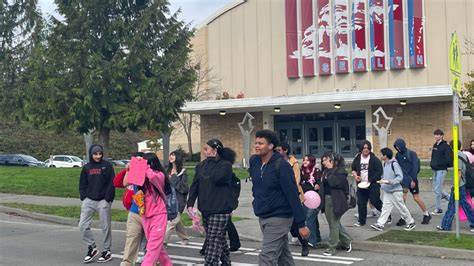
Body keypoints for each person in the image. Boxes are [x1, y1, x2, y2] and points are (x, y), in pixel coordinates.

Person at [249, 129, 310, 265]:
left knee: (267, 257)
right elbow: (256, 187)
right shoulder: (254, 162)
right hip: (263, 214)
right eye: (256, 143)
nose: (257, 146)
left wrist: (301, 224)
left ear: (271, 146)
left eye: (261, 143)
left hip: (280, 217)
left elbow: (293, 194)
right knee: (283, 255)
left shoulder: (282, 166)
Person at [187, 139, 238, 265]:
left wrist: (213, 161)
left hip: (221, 209)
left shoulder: (225, 165)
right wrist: (190, 204)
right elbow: (195, 185)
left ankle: (210, 263)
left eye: (207, 149)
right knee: (219, 239)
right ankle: (226, 262)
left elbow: (218, 178)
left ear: (215, 150)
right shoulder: (201, 166)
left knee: (212, 240)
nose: (205, 152)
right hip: (206, 208)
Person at [125, 153, 172, 266]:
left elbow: (152, 177)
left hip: (159, 215)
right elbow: (126, 182)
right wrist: (130, 168)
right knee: (157, 247)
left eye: (147, 164)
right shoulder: (141, 177)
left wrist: (142, 165)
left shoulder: (159, 175)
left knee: (152, 247)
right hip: (145, 215)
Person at [79, 144, 115, 263]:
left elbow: (112, 183)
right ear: (91, 154)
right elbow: (82, 183)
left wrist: (107, 199)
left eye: (99, 153)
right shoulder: (87, 167)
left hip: (103, 200)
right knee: (82, 225)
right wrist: (83, 197)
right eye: (95, 154)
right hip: (89, 200)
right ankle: (92, 247)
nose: (98, 156)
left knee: (105, 226)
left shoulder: (107, 166)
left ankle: (106, 251)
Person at [370, 148, 416, 231]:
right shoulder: (385, 164)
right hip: (388, 190)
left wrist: (390, 182)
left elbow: (400, 177)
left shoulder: (394, 164)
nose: (380, 156)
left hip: (396, 190)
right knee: (385, 208)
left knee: (401, 207)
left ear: (385, 156)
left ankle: (410, 222)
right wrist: (383, 181)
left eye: (381, 154)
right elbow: (385, 175)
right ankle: (380, 224)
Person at [113, 152, 147, 266]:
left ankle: (152, 259)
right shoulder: (135, 171)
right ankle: (127, 262)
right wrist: (128, 170)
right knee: (132, 237)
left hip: (150, 212)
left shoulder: (154, 174)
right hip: (134, 210)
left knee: (151, 241)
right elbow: (123, 182)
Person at [276, 143, 309, 256]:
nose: (278, 152)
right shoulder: (276, 163)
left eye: (279, 150)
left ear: (285, 151)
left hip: (294, 195)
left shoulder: (293, 163)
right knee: (287, 225)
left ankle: (305, 244)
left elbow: (296, 179)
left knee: (296, 223)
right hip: (281, 198)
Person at [318, 152, 352, 257]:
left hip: (337, 200)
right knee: (333, 223)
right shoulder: (325, 172)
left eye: (326, 160)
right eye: (323, 160)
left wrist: (328, 175)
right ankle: (347, 241)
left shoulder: (340, 171)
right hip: (327, 199)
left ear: (332, 160)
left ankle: (331, 247)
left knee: (334, 224)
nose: (324, 162)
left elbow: (336, 183)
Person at [436, 140, 474, 233]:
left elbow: (459, 171)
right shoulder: (463, 154)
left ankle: (446, 225)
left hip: (459, 185)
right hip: (462, 184)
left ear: (451, 147)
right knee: (455, 206)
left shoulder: (457, 156)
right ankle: (445, 225)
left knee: (458, 205)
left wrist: (455, 186)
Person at [394, 138, 431, 225]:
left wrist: (413, 179)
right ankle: (404, 217)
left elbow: (415, 167)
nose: (398, 149)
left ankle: (426, 214)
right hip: (403, 180)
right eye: (396, 147)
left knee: (416, 197)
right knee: (403, 198)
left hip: (411, 179)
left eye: (399, 147)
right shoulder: (397, 155)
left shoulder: (411, 154)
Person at [351, 140, 384, 227]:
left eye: (367, 148)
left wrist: (371, 179)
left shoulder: (374, 159)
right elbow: (353, 168)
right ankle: (361, 221)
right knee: (361, 203)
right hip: (361, 184)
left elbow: (379, 171)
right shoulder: (358, 158)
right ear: (361, 149)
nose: (366, 150)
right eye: (364, 148)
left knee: (375, 200)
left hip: (372, 184)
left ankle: (386, 214)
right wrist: (355, 176)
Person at [165, 150, 190, 246]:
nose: (171, 156)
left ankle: (162, 242)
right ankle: (184, 237)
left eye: (174, 155)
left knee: (171, 222)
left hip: (178, 200)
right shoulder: (167, 169)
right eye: (170, 154)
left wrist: (174, 177)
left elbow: (183, 188)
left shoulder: (183, 172)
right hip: (167, 198)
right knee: (176, 220)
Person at [300, 154, 322, 247]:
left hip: (315, 199)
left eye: (307, 160)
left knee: (309, 218)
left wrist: (318, 185)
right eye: (304, 160)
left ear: (311, 162)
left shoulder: (316, 171)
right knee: (312, 219)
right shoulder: (301, 171)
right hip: (305, 198)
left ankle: (312, 241)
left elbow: (320, 183)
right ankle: (317, 237)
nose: (305, 162)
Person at [430, 129, 452, 215]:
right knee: (436, 189)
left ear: (441, 135)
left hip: (441, 170)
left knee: (437, 189)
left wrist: (442, 164)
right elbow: (433, 156)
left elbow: (449, 158)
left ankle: (438, 208)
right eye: (435, 134)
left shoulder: (445, 146)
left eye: (437, 135)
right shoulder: (435, 145)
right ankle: (451, 200)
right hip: (435, 169)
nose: (435, 136)